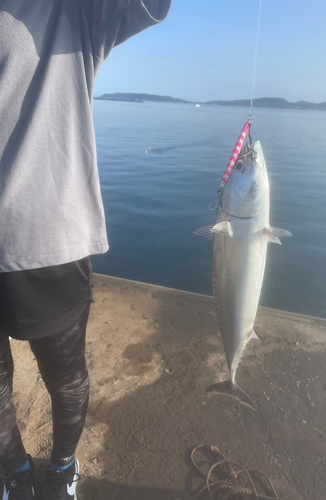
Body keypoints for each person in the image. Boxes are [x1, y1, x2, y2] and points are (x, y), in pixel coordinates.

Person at [0, 1, 173, 499]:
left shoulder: (73, 12)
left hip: (47, 241)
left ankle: (62, 470)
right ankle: (13, 473)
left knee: (65, 377)